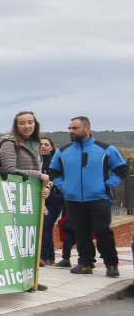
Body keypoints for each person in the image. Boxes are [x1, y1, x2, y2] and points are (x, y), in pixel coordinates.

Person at [48, 116, 128, 277]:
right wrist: (65, 188)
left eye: (75, 128)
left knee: (103, 232)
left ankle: (111, 264)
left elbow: (121, 169)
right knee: (81, 233)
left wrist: (107, 185)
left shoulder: (106, 149)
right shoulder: (63, 152)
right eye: (70, 128)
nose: (71, 131)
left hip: (99, 199)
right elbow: (53, 172)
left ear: (87, 128)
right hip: (73, 200)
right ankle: (85, 263)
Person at [40, 136, 68, 267]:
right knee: (45, 227)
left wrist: (50, 186)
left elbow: (58, 178)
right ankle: (50, 257)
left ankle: (43, 256)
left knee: (46, 226)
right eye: (41, 144)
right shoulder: (37, 161)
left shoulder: (55, 162)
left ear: (51, 147)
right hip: (41, 198)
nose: (43, 146)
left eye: (46, 144)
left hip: (55, 199)